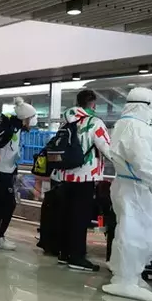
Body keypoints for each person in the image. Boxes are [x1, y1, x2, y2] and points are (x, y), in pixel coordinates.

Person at [51, 89, 112, 272]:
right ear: (93, 104)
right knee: (80, 216)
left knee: (67, 214)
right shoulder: (95, 122)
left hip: (65, 175)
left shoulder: (68, 121)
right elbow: (108, 149)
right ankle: (77, 257)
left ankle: (64, 253)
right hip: (85, 176)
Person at [103, 87, 152, 301]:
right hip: (135, 187)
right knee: (135, 233)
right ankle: (127, 280)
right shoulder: (136, 127)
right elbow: (143, 162)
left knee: (129, 230)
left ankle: (128, 274)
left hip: (127, 184)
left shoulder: (123, 123)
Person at [0, 97, 38, 251]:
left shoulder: (15, 129)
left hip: (8, 172)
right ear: (25, 118)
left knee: (6, 204)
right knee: (5, 204)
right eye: (31, 118)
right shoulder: (7, 128)